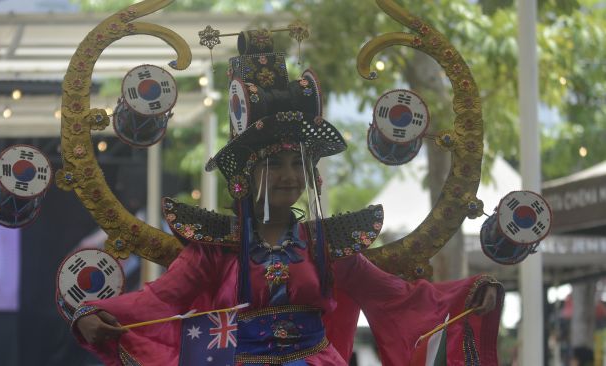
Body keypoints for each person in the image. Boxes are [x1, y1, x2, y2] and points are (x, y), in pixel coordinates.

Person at [72, 30, 503, 365]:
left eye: (298, 165)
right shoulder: (216, 247)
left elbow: (398, 297)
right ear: (248, 174)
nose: (289, 176)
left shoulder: (328, 245)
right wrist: (95, 314)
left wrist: (472, 293)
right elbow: (160, 299)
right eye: (275, 165)